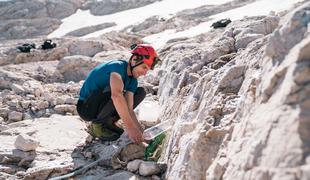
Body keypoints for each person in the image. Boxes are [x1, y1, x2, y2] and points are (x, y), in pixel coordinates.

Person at [76, 44, 161, 144]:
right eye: (144, 67)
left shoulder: (133, 81)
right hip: (86, 108)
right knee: (116, 93)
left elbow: (129, 109)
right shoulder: (117, 67)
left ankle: (108, 121)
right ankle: (97, 125)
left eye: (147, 69)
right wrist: (130, 128)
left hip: (101, 104)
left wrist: (141, 133)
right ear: (134, 60)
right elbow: (116, 96)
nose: (145, 73)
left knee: (140, 92)